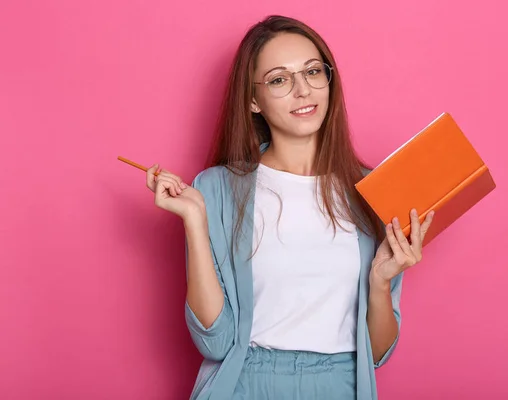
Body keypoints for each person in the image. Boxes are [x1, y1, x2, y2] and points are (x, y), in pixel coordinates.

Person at [145, 14, 435, 400]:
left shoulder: (374, 191)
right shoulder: (216, 189)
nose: (303, 90)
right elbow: (214, 343)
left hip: (340, 385)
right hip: (244, 383)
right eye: (280, 79)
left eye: (313, 71)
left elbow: (378, 354)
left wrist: (380, 283)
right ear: (252, 100)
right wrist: (195, 222)